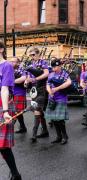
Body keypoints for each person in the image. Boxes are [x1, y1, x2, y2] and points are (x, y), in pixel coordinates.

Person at [0, 42, 21, 179]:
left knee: (2, 145)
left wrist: (6, 111)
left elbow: (5, 89)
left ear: (1, 49)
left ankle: (15, 174)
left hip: (3, 104)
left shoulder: (6, 66)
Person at [24, 47, 49, 143]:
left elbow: (46, 74)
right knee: (39, 111)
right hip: (34, 90)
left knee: (37, 110)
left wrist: (35, 79)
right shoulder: (31, 64)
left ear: (38, 54)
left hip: (42, 89)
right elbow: (28, 77)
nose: (32, 57)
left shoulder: (43, 62)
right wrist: (26, 81)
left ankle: (34, 134)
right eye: (30, 55)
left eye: (33, 54)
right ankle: (45, 130)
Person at [45, 59, 71, 144]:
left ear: (60, 66)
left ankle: (64, 136)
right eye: (52, 66)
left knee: (60, 119)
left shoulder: (64, 74)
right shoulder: (51, 74)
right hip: (52, 98)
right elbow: (48, 84)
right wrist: (50, 92)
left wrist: (57, 88)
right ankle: (58, 136)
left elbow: (69, 83)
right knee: (54, 119)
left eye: (55, 66)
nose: (53, 68)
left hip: (61, 98)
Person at [10, 57, 27, 133]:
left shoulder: (21, 69)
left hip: (20, 92)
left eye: (14, 62)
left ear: (18, 63)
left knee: (16, 112)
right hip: (11, 93)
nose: (12, 63)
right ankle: (23, 127)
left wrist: (12, 81)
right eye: (11, 61)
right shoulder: (10, 69)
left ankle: (8, 128)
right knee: (17, 112)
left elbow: (23, 78)